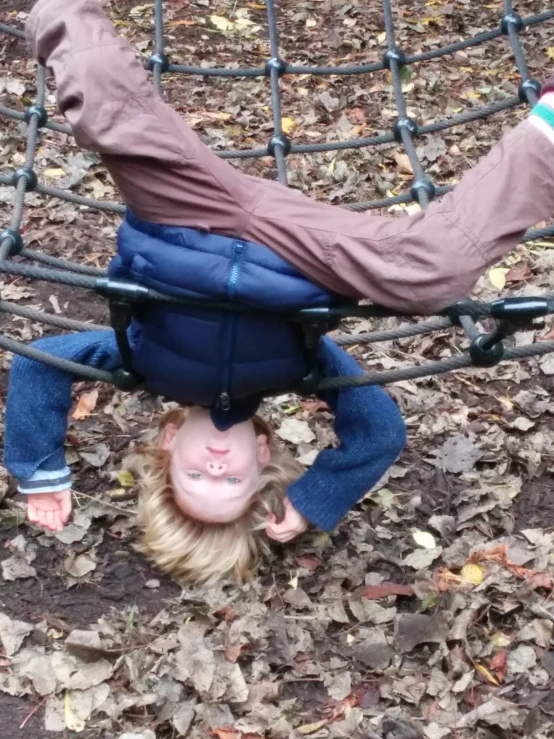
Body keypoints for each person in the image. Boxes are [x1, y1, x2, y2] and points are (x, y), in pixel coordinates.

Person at [4, 0, 554, 583]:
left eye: (196, 478)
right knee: (432, 274)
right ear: (262, 457)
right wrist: (318, 497)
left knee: (105, 118)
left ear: (168, 444)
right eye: (233, 481)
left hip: (189, 212)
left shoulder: (138, 361)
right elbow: (379, 432)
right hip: (304, 253)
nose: (217, 467)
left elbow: (41, 368)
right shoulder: (300, 370)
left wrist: (39, 472)